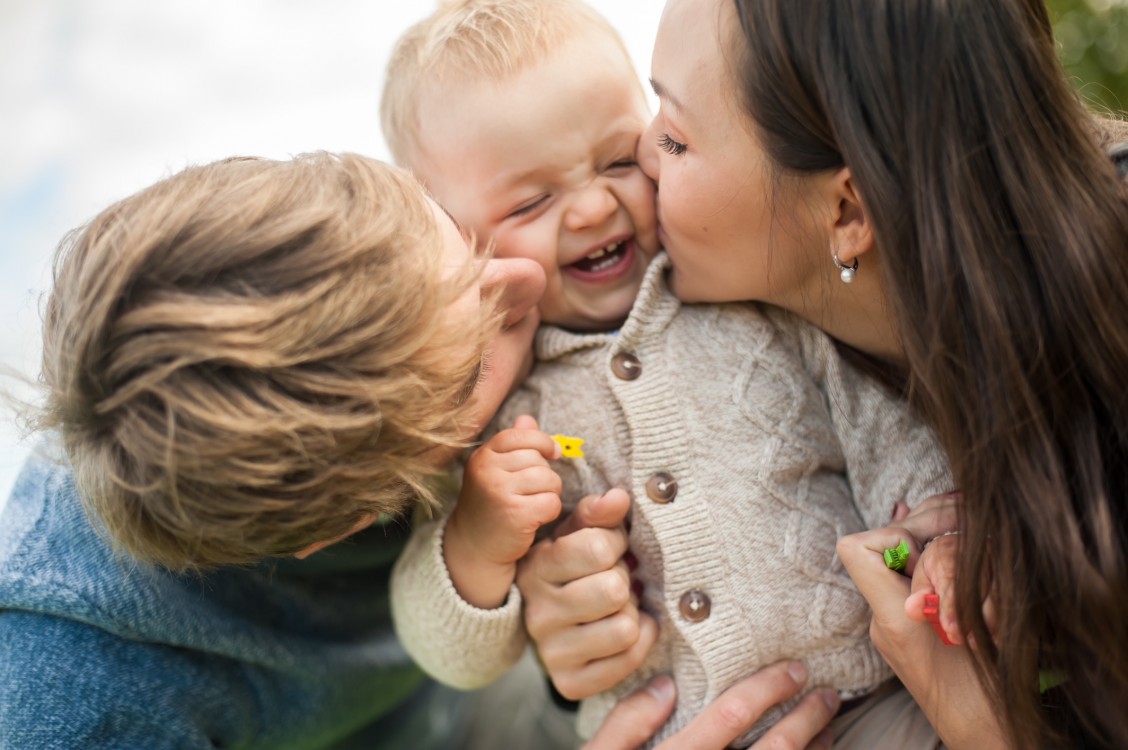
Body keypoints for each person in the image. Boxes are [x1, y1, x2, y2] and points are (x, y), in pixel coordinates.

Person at [526, 0, 1128, 746]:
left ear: (846, 211)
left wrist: (983, 728)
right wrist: (580, 625)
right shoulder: (781, 343)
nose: (641, 156)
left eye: (676, 139)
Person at [380, 1, 952, 746]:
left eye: (619, 161)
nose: (591, 207)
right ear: (452, 236)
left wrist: (937, 526)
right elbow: (447, 653)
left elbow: (881, 424)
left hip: (877, 695)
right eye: (532, 200)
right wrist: (475, 543)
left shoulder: (749, 305)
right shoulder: (493, 412)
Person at [0, 151, 577, 750]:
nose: (528, 277)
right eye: (472, 366)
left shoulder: (331, 260)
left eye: (453, 227)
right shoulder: (70, 701)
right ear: (330, 532)